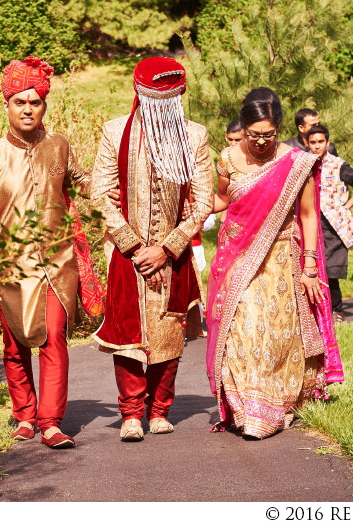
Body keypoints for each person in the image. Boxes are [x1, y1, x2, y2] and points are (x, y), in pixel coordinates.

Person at [0, 56, 99, 449]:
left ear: (45, 105)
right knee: (16, 345)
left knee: (54, 338)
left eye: (35, 102)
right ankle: (23, 415)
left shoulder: (59, 146)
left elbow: (87, 184)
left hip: (60, 262)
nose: (28, 109)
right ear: (6, 105)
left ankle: (50, 422)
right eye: (20, 102)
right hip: (10, 267)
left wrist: (121, 177)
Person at [206, 88, 343, 439]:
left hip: (281, 258)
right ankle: (244, 407)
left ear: (279, 128)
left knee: (275, 336)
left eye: (269, 135)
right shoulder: (228, 158)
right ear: (244, 129)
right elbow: (222, 198)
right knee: (242, 330)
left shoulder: (297, 163)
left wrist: (310, 267)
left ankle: (270, 407)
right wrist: (191, 205)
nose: (262, 142)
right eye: (254, 135)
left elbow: (310, 216)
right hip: (238, 256)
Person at [91, 57, 212, 442]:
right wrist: (134, 246)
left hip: (172, 253)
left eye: (169, 102)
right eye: (154, 101)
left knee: (169, 330)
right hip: (126, 252)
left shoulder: (195, 136)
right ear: (139, 95)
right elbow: (98, 194)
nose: (162, 109)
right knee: (128, 332)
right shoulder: (115, 132)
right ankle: (130, 414)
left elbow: (205, 201)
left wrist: (167, 248)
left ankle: (159, 410)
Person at [306, 124, 353, 322]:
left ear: (328, 142)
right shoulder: (305, 165)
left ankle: (336, 310)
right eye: (313, 142)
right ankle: (314, 312)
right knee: (313, 269)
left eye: (320, 142)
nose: (317, 146)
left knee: (331, 271)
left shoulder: (338, 165)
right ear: (307, 143)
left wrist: (347, 205)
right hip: (312, 223)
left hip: (334, 226)